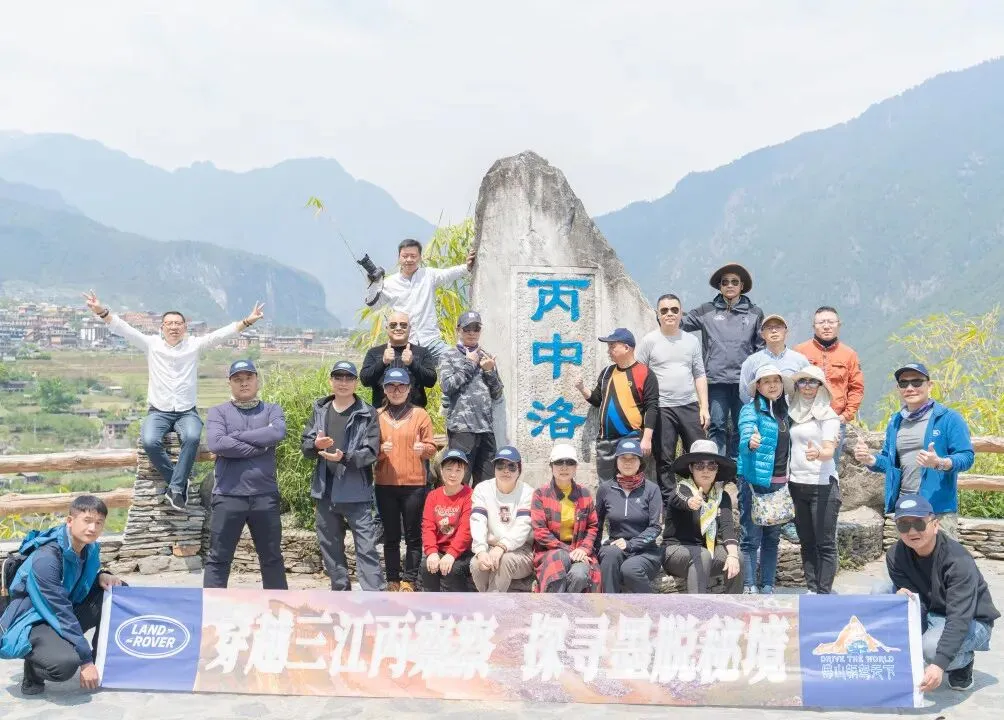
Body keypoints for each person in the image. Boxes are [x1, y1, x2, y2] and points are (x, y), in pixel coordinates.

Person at [83, 291, 265, 511]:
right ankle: (178, 485)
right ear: (162, 328)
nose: (173, 327)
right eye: (169, 323)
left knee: (192, 437)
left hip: (187, 411)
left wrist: (247, 321)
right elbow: (123, 328)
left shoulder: (194, 345)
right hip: (158, 411)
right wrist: (101, 311)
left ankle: (176, 488)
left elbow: (220, 335)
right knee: (150, 441)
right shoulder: (151, 344)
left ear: (185, 327)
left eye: (178, 323)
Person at [0, 495, 124, 696]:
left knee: (116, 590)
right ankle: (33, 668)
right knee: (64, 665)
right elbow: (58, 611)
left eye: (98, 523)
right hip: (34, 618)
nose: (92, 528)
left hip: (63, 608)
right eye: (87, 520)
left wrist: (102, 575)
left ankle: (101, 659)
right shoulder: (46, 558)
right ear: (70, 521)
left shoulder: (90, 548)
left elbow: (78, 578)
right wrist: (85, 660)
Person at [886, 494, 999, 692]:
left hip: (972, 619)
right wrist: (904, 605)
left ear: (935, 525)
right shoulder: (895, 555)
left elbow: (959, 617)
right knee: (883, 591)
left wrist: (939, 664)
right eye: (903, 525)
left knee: (931, 649)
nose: (912, 531)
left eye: (919, 523)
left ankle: (963, 662)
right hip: (933, 610)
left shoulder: (958, 561)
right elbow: (918, 605)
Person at [854, 363, 974, 540]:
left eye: (917, 382)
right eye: (903, 383)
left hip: (937, 507)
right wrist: (870, 459)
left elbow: (966, 457)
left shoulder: (948, 418)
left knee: (942, 556)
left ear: (930, 385)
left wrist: (940, 462)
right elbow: (890, 463)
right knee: (908, 556)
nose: (910, 388)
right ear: (898, 389)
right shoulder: (895, 421)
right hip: (905, 505)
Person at [203, 359, 288, 590]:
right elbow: (217, 443)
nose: (244, 383)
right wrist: (260, 445)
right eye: (238, 379)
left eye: (248, 378)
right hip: (228, 495)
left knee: (271, 557)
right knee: (218, 557)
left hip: (265, 495)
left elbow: (277, 433)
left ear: (257, 380)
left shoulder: (272, 409)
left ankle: (277, 606)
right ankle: (212, 607)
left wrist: (236, 436)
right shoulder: (218, 412)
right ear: (229, 383)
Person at [301, 360, 385, 591]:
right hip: (325, 491)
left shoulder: (367, 412)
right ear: (331, 381)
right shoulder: (320, 409)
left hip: (356, 492)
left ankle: (374, 596)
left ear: (356, 383)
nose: (343, 382)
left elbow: (371, 452)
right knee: (330, 547)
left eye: (349, 378)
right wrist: (315, 445)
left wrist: (344, 457)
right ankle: (340, 594)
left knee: (366, 548)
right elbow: (306, 445)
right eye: (338, 377)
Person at [681, 263, 765, 459]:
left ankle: (737, 468)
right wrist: (665, 312)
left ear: (742, 286)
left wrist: (759, 379)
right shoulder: (706, 311)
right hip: (715, 381)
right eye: (725, 282)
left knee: (742, 426)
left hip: (744, 382)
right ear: (719, 286)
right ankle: (716, 468)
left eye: (734, 282)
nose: (730, 285)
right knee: (717, 425)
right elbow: (681, 323)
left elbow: (761, 347)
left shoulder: (755, 313)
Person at [635, 293, 710, 509]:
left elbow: (699, 374)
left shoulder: (691, 341)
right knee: (665, 458)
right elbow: (640, 375)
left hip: (689, 405)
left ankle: (702, 501)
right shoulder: (649, 341)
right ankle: (671, 506)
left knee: (698, 454)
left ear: (681, 313)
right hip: (661, 408)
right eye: (665, 310)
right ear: (658, 314)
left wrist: (704, 407)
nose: (669, 314)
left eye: (674, 310)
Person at [374, 367, 437, 591]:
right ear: (384, 389)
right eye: (391, 386)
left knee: (413, 536)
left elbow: (432, 447)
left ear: (409, 389)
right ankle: (392, 579)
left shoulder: (420, 415)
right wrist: (381, 450)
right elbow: (368, 450)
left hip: (415, 485)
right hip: (385, 483)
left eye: (401, 386)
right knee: (390, 536)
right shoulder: (377, 415)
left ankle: (409, 580)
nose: (396, 390)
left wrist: (424, 449)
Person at [575, 327, 658, 483]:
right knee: (606, 485)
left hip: (632, 438)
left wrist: (647, 438)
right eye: (608, 347)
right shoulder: (607, 372)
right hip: (605, 440)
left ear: (626, 347)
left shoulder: (645, 373)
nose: (609, 351)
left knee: (632, 483)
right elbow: (597, 400)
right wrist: (582, 388)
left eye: (612, 346)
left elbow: (652, 407)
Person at [371, 239, 476, 361]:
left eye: (413, 256)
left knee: (458, 360)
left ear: (420, 257)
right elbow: (374, 305)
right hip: (405, 344)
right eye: (405, 256)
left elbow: (448, 274)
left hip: (431, 341)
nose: (409, 259)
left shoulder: (428, 275)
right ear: (399, 258)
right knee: (395, 370)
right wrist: (373, 284)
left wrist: (467, 267)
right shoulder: (389, 283)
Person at [785, 365, 841, 594]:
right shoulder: (793, 413)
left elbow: (829, 450)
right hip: (797, 484)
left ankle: (824, 593)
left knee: (825, 542)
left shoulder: (828, 416)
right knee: (806, 541)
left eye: (813, 382)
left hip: (822, 485)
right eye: (802, 381)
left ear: (821, 386)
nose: (807, 386)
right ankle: (811, 588)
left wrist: (818, 453)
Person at [662, 439, 743, 594]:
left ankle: (733, 604)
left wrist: (732, 555)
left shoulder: (722, 496)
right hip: (676, 551)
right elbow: (681, 500)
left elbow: (727, 528)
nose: (706, 470)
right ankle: (697, 607)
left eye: (711, 466)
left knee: (737, 555)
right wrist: (691, 502)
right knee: (702, 555)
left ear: (717, 470)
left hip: (707, 552)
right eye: (700, 465)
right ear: (691, 468)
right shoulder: (681, 489)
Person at [736, 364, 789, 594]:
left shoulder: (785, 412)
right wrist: (751, 442)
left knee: (772, 538)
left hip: (779, 483)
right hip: (754, 483)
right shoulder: (750, 410)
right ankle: (749, 585)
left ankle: (768, 584)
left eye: (776, 380)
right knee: (751, 536)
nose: (772, 385)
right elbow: (745, 435)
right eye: (766, 381)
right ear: (757, 386)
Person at [440, 311, 503, 486]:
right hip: (462, 429)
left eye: (476, 328)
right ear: (458, 329)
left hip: (485, 429)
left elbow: (497, 393)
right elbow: (447, 386)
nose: (472, 332)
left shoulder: (487, 356)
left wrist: (489, 371)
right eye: (467, 328)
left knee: (487, 484)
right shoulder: (449, 355)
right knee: (459, 482)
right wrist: (470, 364)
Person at [795, 306, 865, 465]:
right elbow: (792, 385)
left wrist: (846, 416)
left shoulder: (849, 354)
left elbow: (856, 388)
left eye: (831, 322)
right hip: (805, 419)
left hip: (835, 419)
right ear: (814, 326)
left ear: (839, 325)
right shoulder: (800, 351)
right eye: (821, 322)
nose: (826, 326)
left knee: (830, 466)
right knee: (802, 465)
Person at [594, 438, 663, 593]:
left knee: (629, 569)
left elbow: (655, 527)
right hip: (616, 546)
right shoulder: (605, 489)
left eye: (633, 458)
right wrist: (593, 550)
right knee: (609, 555)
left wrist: (631, 544)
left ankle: (653, 606)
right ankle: (609, 604)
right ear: (616, 461)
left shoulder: (651, 489)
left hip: (645, 551)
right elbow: (596, 524)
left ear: (640, 462)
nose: (628, 463)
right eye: (623, 458)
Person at [530, 443, 601, 593]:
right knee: (558, 561)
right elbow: (540, 531)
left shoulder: (584, 494)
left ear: (575, 467)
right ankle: (555, 605)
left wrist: (584, 549)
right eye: (559, 462)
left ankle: (566, 606)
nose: (564, 467)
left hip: (579, 550)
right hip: (549, 551)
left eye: (569, 462)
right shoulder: (540, 494)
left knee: (580, 575)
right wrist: (569, 550)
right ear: (551, 466)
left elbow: (592, 526)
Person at [470, 446, 535, 592]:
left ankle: (491, 603)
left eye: (511, 466)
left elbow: (522, 527)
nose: (506, 471)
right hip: (490, 546)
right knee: (476, 564)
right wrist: (481, 551)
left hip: (521, 550)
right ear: (494, 468)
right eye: (500, 465)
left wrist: (501, 547)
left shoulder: (527, 492)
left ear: (519, 469)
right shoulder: (482, 489)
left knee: (504, 560)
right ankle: (490, 599)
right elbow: (478, 521)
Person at [360, 311, 438, 410]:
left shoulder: (422, 352)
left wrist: (412, 364)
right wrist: (383, 362)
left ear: (409, 328)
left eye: (403, 325)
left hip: (415, 414)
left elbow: (431, 381)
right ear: (387, 328)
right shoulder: (374, 352)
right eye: (393, 325)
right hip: (382, 413)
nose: (398, 328)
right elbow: (365, 381)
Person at [421, 448, 474, 592]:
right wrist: (431, 551)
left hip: (463, 552)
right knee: (427, 567)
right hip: (439, 549)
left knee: (452, 570)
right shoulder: (433, 496)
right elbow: (428, 527)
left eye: (458, 470)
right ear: (441, 470)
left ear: (465, 472)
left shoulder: (470, 495)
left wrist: (451, 554)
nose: (453, 474)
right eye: (449, 469)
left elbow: (466, 530)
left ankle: (457, 605)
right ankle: (432, 604)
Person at [738, 314, 809, 404]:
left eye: (778, 327)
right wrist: (758, 409)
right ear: (762, 334)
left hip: (792, 411)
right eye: (769, 328)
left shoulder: (800, 360)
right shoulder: (752, 361)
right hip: (762, 411)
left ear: (786, 332)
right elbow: (744, 392)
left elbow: (808, 387)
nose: (774, 331)